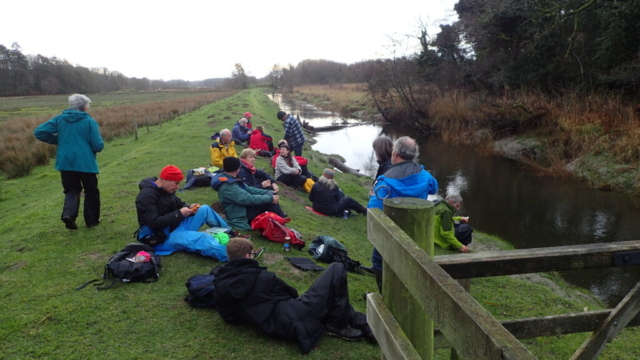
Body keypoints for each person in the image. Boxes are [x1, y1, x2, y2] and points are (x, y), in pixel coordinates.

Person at [212, 238, 373, 354]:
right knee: (336, 269)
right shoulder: (263, 277)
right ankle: (340, 324)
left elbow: (229, 317)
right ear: (248, 256)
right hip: (293, 319)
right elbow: (292, 293)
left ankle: (364, 323)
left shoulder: (220, 283)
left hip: (274, 324)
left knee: (330, 297)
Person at [368, 136, 439, 292]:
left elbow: (374, 209)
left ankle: (386, 294)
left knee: (379, 261)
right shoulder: (426, 176)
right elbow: (434, 188)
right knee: (411, 263)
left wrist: (372, 194)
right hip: (416, 231)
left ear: (395, 154)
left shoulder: (385, 181)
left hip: (391, 233)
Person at [34, 94, 104, 230]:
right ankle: (92, 220)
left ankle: (69, 215)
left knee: (71, 190)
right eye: (88, 105)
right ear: (84, 106)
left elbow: (40, 132)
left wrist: (61, 141)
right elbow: (98, 145)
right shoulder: (89, 122)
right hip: (85, 163)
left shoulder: (59, 119)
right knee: (91, 191)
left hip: (65, 162)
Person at [135, 165, 229, 261]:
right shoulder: (146, 196)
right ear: (165, 180)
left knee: (204, 209)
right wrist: (179, 213)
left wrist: (189, 208)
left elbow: (179, 204)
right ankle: (235, 256)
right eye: (176, 183)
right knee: (202, 238)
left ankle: (230, 234)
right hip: (163, 237)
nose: (178, 187)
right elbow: (154, 223)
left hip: (175, 226)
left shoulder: (165, 190)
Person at [211, 157, 286, 231]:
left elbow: (250, 189)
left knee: (270, 198)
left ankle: (280, 225)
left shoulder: (230, 179)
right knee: (270, 203)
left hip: (243, 208)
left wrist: (270, 193)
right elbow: (248, 199)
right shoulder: (228, 186)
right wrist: (270, 198)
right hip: (240, 214)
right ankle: (282, 228)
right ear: (237, 168)